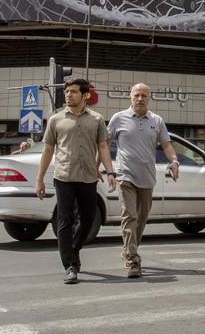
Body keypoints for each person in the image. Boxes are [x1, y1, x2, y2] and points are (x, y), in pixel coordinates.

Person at [35, 77, 116, 284]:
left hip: (88, 176)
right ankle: (70, 265)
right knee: (65, 220)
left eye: (73, 91)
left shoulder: (97, 119)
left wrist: (110, 172)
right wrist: (40, 179)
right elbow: (48, 150)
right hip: (64, 176)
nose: (68, 95)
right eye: (67, 91)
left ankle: (74, 250)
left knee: (88, 219)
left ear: (85, 95)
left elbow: (103, 147)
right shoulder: (56, 119)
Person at [107, 83, 181, 278]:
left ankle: (128, 249)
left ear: (149, 98)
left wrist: (174, 161)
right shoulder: (118, 118)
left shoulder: (157, 121)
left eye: (144, 95)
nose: (140, 99)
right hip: (125, 175)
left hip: (147, 177)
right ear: (130, 97)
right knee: (129, 215)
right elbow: (104, 144)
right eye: (136, 95)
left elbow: (167, 145)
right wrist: (105, 170)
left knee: (141, 218)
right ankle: (133, 259)